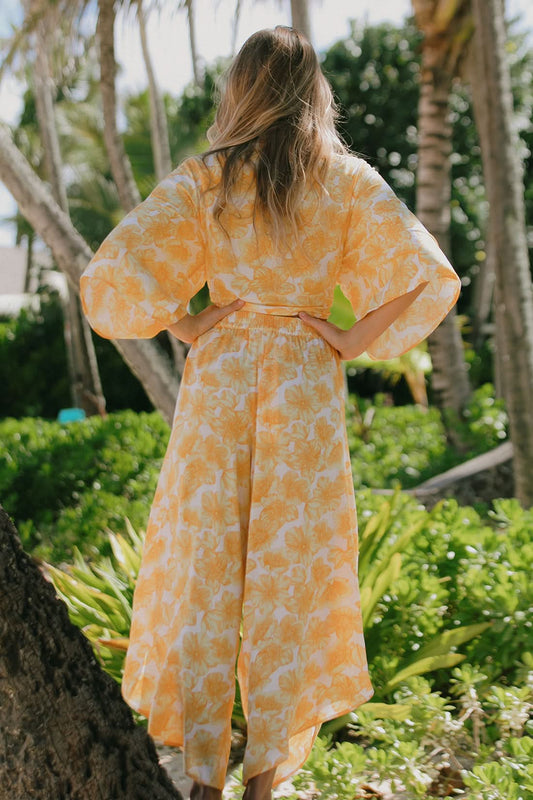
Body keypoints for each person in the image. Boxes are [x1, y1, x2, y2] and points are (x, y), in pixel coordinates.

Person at [80, 25, 461, 800]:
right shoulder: (346, 179)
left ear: (241, 90)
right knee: (291, 576)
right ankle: (264, 782)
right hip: (302, 385)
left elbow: (109, 277)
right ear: (312, 89)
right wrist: (350, 336)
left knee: (207, 570)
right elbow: (428, 275)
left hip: (220, 381)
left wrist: (184, 323)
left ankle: (201, 779)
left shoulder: (209, 180)